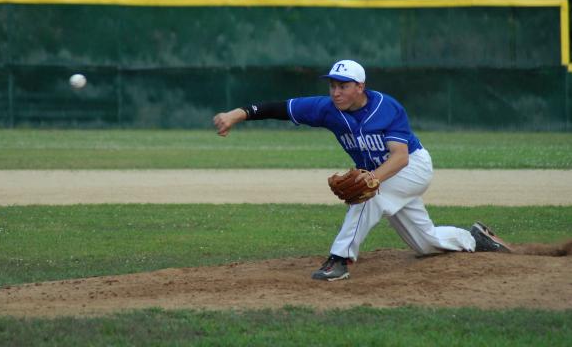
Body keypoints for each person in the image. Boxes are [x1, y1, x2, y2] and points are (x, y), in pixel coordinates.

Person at [213, 59, 511, 281]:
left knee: (369, 195)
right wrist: (235, 115)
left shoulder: (386, 107)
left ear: (360, 87)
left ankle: (339, 259)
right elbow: (277, 108)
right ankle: (473, 239)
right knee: (425, 242)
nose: (335, 92)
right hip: (384, 174)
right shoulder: (326, 109)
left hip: (412, 168)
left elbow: (400, 157)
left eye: (343, 86)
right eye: (332, 85)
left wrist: (372, 178)